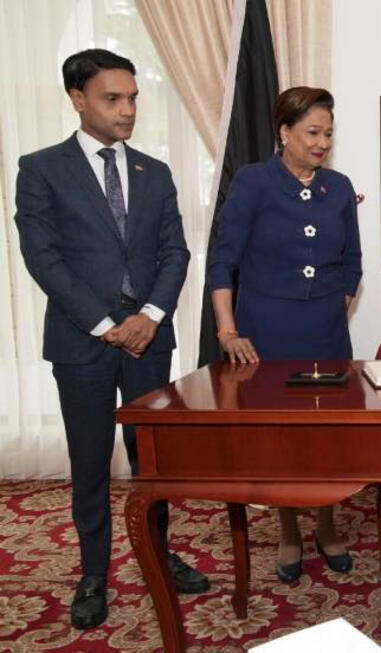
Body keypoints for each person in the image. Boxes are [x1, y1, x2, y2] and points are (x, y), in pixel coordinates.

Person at [13, 49, 206, 630]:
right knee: (91, 460)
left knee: (153, 461)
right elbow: (42, 258)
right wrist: (104, 324)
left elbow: (175, 251)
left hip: (149, 338)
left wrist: (149, 315)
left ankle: (160, 554)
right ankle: (94, 572)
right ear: (77, 99)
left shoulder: (155, 171)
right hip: (82, 342)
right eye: (113, 99)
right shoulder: (41, 168)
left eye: (133, 98)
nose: (127, 110)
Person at [207, 86, 362, 582]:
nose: (322, 143)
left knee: (328, 438)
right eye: (313, 132)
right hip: (267, 330)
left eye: (328, 133)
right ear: (284, 132)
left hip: (326, 334)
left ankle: (327, 525)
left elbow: (352, 262)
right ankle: (290, 530)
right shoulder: (254, 181)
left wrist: (331, 306)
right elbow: (223, 261)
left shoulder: (338, 187)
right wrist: (227, 330)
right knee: (282, 439)